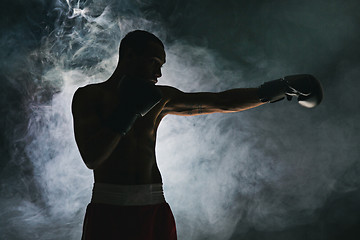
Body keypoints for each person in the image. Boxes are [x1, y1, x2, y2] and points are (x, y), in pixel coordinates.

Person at [71, 30, 323, 240]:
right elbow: (92, 158)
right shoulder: (89, 96)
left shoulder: (159, 99)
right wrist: (127, 111)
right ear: (128, 55)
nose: (158, 74)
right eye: (153, 62)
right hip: (109, 208)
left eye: (161, 66)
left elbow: (221, 101)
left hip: (154, 206)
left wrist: (279, 87)